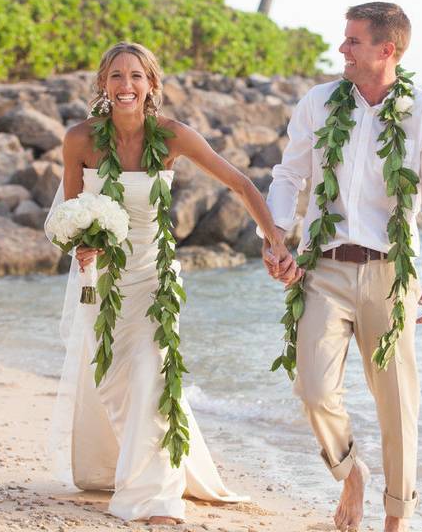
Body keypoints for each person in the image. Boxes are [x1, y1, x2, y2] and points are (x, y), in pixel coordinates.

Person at [45, 41, 294, 524]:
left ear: (152, 85)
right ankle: (122, 466)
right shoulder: (80, 140)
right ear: (102, 85)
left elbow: (240, 184)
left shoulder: (173, 136)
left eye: (136, 76)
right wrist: (81, 248)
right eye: (116, 76)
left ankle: (155, 498)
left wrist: (275, 241)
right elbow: (72, 215)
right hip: (106, 283)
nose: (126, 86)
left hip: (155, 279)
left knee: (154, 375)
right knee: (115, 382)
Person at [260, 3, 422, 532]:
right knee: (312, 388)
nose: (342, 50)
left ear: (387, 49)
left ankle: (396, 520)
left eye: (353, 41)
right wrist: (277, 234)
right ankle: (350, 472)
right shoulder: (318, 103)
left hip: (389, 273)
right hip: (322, 268)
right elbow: (289, 175)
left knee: (397, 404)